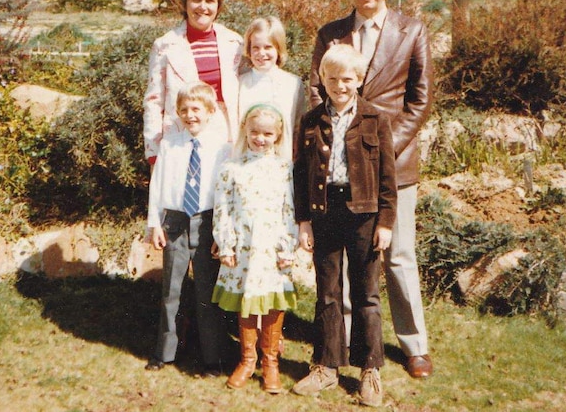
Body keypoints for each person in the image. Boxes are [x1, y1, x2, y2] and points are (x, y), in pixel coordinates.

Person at [307, 0, 435, 379]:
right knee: (343, 260)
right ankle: (339, 342)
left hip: (392, 166)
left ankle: (413, 344)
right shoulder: (330, 34)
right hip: (339, 170)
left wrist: (381, 149)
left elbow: (420, 100)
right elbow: (315, 91)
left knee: (397, 254)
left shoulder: (411, 30)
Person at [292, 44, 397, 407]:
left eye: (347, 78)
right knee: (327, 292)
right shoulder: (310, 121)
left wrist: (385, 222)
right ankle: (326, 365)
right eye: (332, 78)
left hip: (364, 216)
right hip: (324, 212)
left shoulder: (375, 119)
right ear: (322, 79)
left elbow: (388, 178)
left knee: (366, 293)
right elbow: (300, 174)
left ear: (360, 79)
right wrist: (303, 222)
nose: (339, 85)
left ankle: (369, 370)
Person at [145, 81, 231, 377]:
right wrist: (154, 224)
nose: (190, 115)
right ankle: (164, 353)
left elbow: (224, 193)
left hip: (207, 222)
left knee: (207, 291)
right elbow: (157, 187)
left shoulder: (222, 147)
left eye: (196, 109)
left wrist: (222, 233)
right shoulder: (170, 144)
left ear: (210, 111)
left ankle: (212, 358)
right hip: (176, 221)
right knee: (172, 289)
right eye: (184, 110)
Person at [212, 104, 297, 393]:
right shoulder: (231, 169)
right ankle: (247, 359)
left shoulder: (285, 169)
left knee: (272, 303)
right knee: (246, 302)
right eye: (255, 132)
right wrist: (226, 244)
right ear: (245, 131)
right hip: (243, 249)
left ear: (278, 135)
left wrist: (288, 246)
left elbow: (289, 209)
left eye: (267, 134)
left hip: (272, 249)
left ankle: (270, 362)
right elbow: (222, 209)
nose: (260, 138)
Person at [144, 0, 243, 166]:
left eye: (210, 1)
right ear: (186, 2)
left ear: (218, 5)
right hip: (181, 136)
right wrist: (153, 150)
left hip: (226, 137)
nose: (203, 7)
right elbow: (154, 101)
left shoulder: (234, 42)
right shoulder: (165, 45)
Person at [238, 17, 307, 161]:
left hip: (280, 162)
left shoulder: (293, 84)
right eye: (255, 48)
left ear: (278, 48)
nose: (261, 53)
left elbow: (297, 126)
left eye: (268, 47)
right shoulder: (240, 83)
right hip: (244, 161)